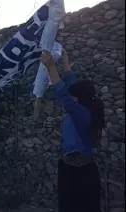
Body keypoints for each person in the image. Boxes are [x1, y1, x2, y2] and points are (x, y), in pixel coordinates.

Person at [41, 49, 104, 212]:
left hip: (79, 174)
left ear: (79, 97)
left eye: (75, 95)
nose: (72, 95)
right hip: (72, 168)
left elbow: (63, 93)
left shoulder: (81, 113)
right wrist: (66, 62)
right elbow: (71, 84)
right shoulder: (85, 106)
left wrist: (51, 66)